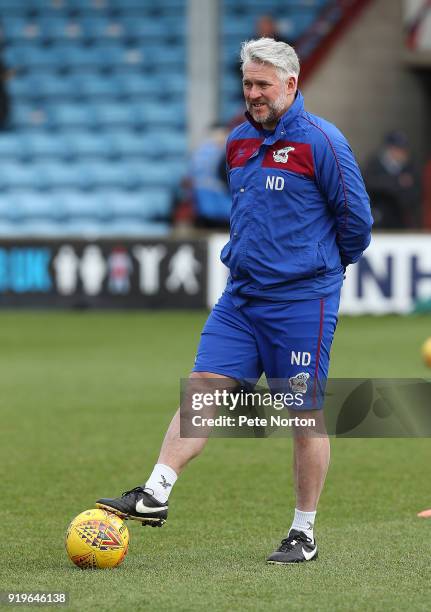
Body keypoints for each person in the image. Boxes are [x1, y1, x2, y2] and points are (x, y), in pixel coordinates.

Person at [96, 38, 373, 564]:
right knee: (203, 389)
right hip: (241, 298)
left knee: (302, 416)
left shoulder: (324, 142)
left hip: (300, 302)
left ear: (292, 84)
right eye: (248, 84)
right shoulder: (239, 141)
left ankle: (303, 533)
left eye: (263, 85)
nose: (253, 94)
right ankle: (155, 492)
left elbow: (356, 223)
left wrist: (316, 270)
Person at [363, 131, 421, 229]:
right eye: (396, 149)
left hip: (401, 217)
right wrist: (397, 182)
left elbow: (415, 191)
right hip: (379, 216)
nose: (400, 153)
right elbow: (369, 184)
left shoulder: (409, 166)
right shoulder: (374, 164)